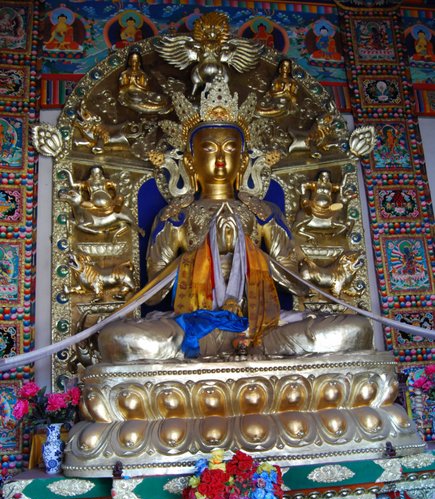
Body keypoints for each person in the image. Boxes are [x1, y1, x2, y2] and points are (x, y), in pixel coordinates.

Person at [98, 77, 373, 362]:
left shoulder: (264, 212)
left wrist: (248, 254)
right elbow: (154, 295)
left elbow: (299, 285)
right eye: (209, 149)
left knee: (356, 329)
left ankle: (245, 353)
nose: (220, 159)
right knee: (118, 338)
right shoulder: (176, 215)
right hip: (195, 326)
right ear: (190, 162)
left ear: (243, 161)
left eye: (230, 149)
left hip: (261, 326)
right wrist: (200, 256)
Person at [118, 50, 171, 114]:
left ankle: (163, 106)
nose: (134, 63)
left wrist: (135, 84)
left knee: (159, 98)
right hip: (130, 97)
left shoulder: (142, 74)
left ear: (139, 63)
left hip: (143, 95)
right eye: (132, 61)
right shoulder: (125, 74)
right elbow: (122, 89)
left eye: (136, 61)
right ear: (129, 62)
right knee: (139, 102)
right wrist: (131, 86)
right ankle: (158, 107)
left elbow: (146, 89)